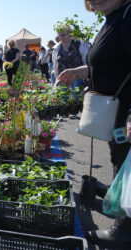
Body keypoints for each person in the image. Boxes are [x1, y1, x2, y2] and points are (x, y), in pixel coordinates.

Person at [57, 0, 131, 248]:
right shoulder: (112, 18)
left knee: (126, 162)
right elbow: (112, 64)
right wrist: (80, 71)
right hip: (115, 110)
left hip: (126, 108)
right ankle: (119, 201)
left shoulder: (128, 14)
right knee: (120, 159)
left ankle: (125, 230)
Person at [53, 24, 89, 118]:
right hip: (63, 73)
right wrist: (57, 75)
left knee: (75, 91)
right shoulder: (57, 48)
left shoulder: (78, 44)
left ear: (70, 34)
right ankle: (65, 111)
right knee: (63, 92)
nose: (62, 37)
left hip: (76, 73)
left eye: (64, 34)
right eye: (60, 35)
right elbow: (55, 62)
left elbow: (85, 57)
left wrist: (86, 71)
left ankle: (74, 112)